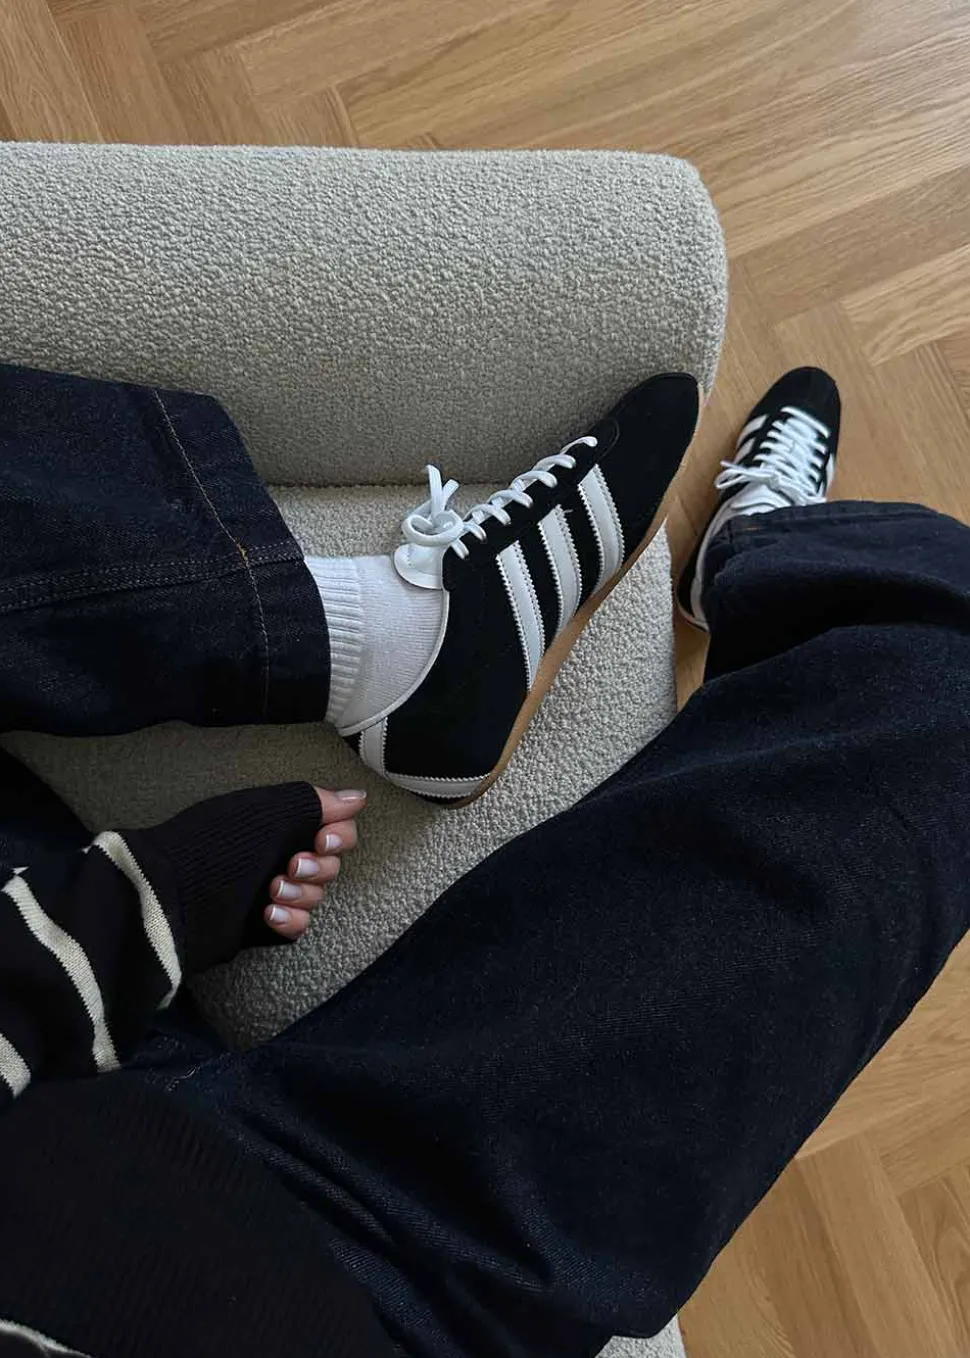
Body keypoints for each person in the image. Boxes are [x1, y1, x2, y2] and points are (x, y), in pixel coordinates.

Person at [0, 361, 967, 1358]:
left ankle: (359, 638)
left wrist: (136, 907)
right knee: (944, 662)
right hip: (381, 1266)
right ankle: (745, 552)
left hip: (52, 1136)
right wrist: (142, 903)